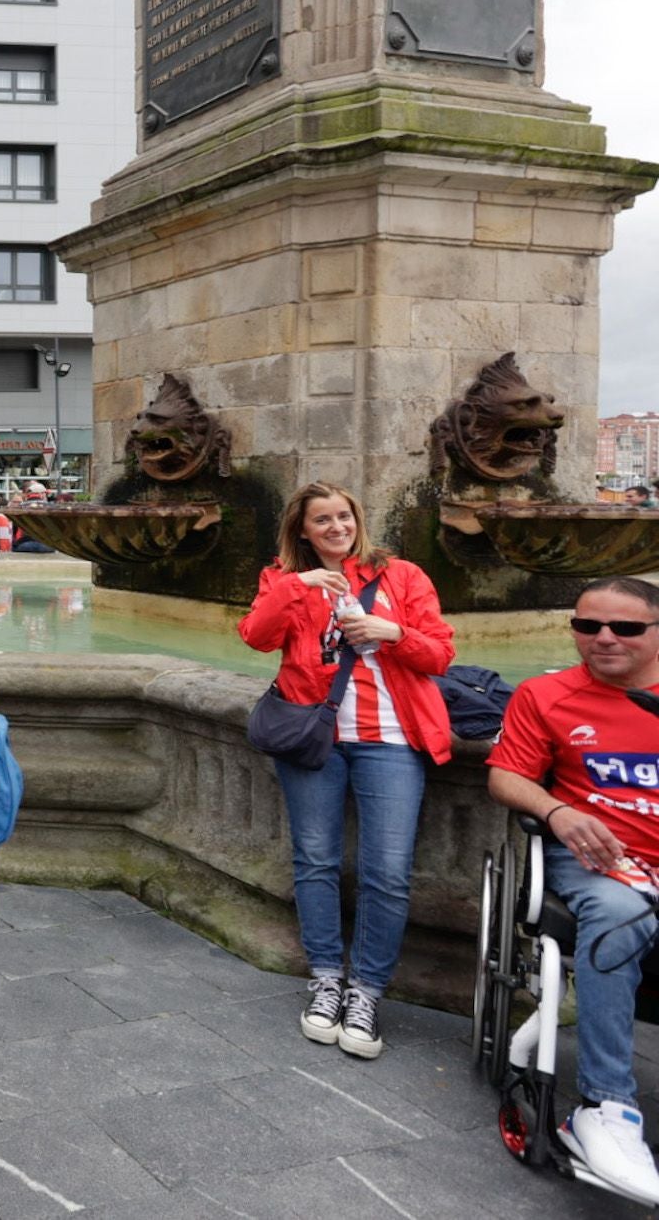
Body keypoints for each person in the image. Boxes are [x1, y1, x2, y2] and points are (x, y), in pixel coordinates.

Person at [237, 481, 455, 1060]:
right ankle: (327, 978)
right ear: (302, 530)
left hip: (390, 738)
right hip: (315, 739)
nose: (337, 527)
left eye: (344, 516)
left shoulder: (402, 576)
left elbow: (441, 654)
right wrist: (295, 585)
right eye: (322, 520)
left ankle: (367, 991)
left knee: (387, 871)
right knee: (315, 861)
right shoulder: (283, 580)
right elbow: (256, 638)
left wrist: (393, 633)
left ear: (357, 520)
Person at [485, 577, 659, 1203]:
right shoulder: (547, 694)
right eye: (588, 626)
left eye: (625, 628)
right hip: (593, 861)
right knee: (619, 915)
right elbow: (506, 775)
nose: (602, 639)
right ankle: (604, 1108)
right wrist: (558, 813)